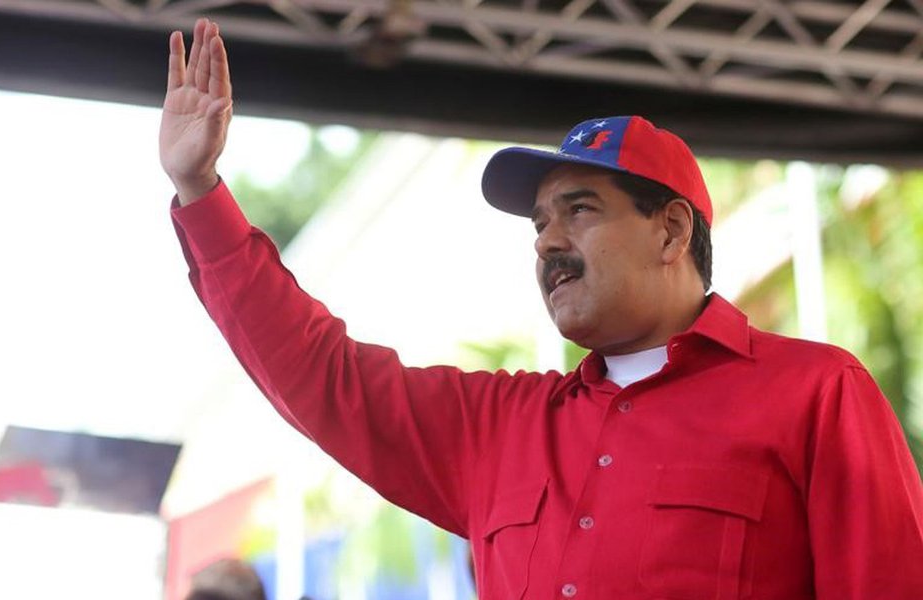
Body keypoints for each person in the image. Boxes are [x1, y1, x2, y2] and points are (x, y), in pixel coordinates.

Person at [161, 18, 923, 600]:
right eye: (539, 223)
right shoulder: (500, 427)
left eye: (580, 210)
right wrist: (200, 192)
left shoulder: (817, 394)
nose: (547, 241)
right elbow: (321, 372)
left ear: (670, 230)